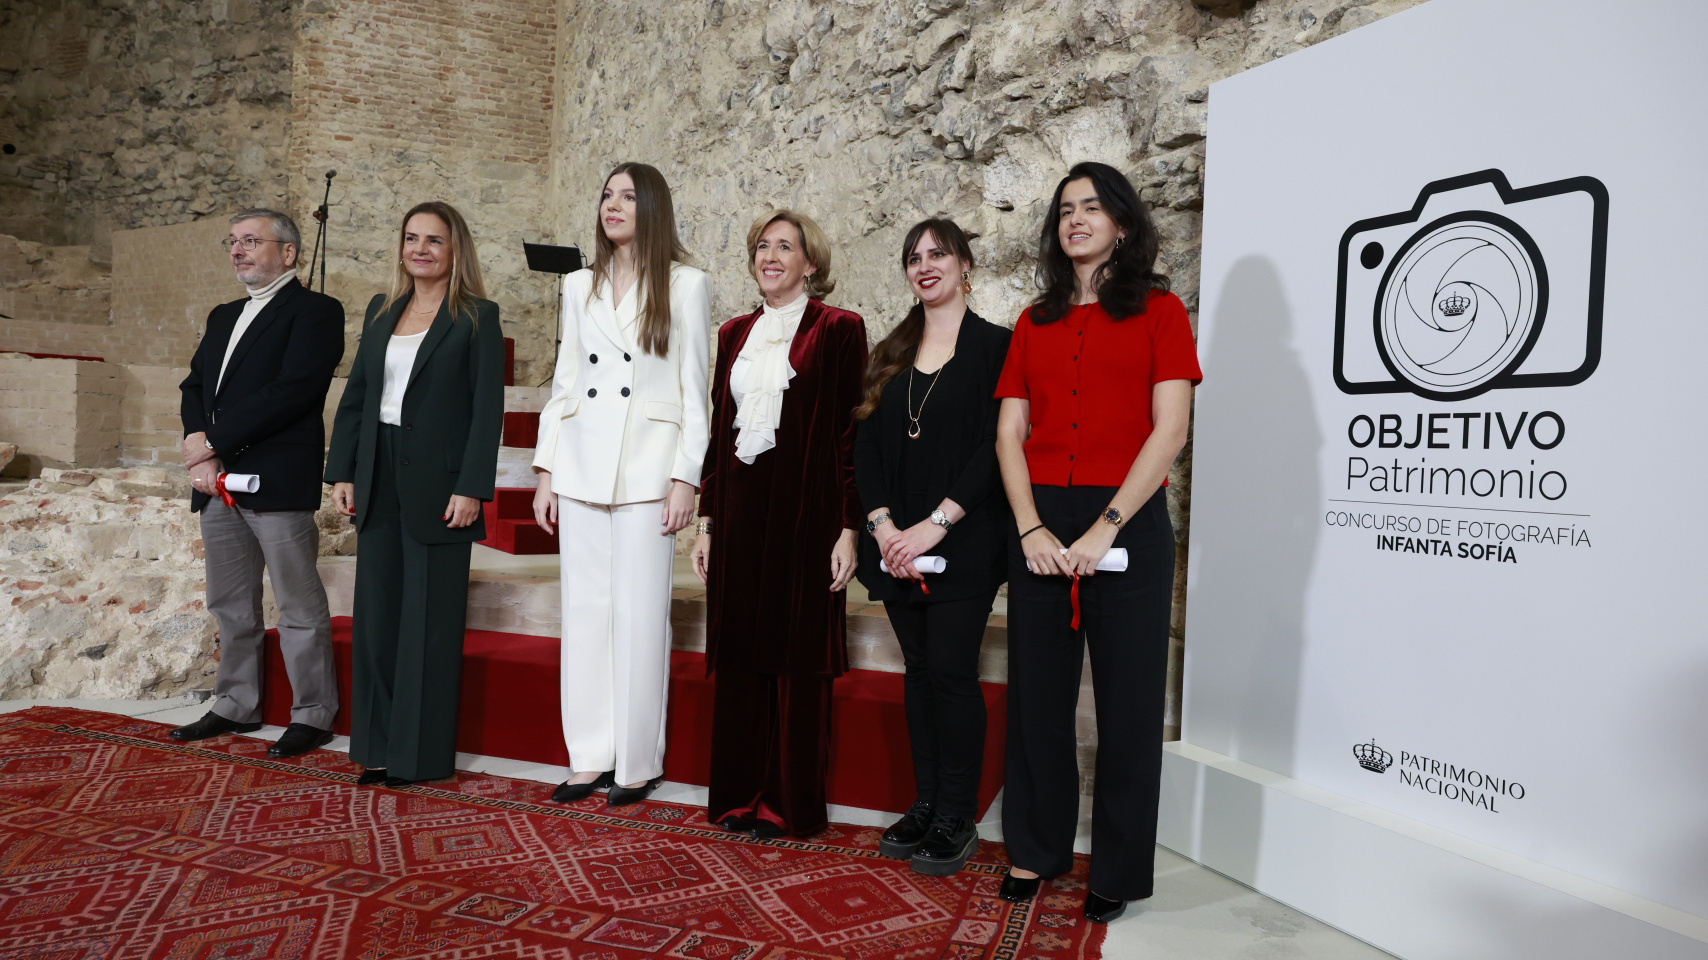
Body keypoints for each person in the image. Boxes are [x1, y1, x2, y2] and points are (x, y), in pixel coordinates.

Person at [993, 162, 1201, 923]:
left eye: (1091, 207)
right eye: (1064, 210)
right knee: (1038, 704)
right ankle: (1035, 850)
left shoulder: (1160, 311)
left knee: (1129, 707)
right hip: (1040, 522)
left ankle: (1114, 868)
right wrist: (1031, 528)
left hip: (1130, 523)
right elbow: (1010, 432)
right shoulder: (1032, 321)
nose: (1075, 219)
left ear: (1121, 222)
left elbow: (1170, 429)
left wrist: (1105, 527)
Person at [531, 163, 711, 808]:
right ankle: (588, 756)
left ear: (653, 207)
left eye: (628, 196)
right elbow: (565, 382)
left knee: (639, 617)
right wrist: (547, 471)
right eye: (607, 193)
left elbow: (697, 392)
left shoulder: (687, 285)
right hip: (581, 462)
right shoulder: (579, 284)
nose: (613, 204)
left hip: (647, 468)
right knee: (585, 614)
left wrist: (686, 476)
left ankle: (636, 761)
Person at [690, 210, 867, 839]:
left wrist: (848, 527)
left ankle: (788, 803)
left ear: (809, 263)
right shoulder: (734, 332)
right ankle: (739, 794)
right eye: (762, 245)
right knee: (740, 651)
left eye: (784, 247)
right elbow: (718, 432)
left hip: (805, 514)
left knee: (795, 655)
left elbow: (850, 434)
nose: (770, 255)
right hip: (739, 513)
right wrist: (706, 522)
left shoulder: (839, 327)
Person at [325, 201, 505, 787]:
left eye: (434, 240)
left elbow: (486, 410)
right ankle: (375, 750)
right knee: (377, 622)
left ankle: (419, 758)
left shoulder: (477, 315)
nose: (421, 248)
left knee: (427, 624)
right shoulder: (382, 309)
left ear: (456, 251)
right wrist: (343, 470)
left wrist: (473, 487)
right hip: (379, 475)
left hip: (440, 487)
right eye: (411, 238)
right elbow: (356, 396)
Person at [853, 218, 1010, 876]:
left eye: (937, 254)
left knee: (951, 672)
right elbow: (863, 443)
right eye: (914, 257)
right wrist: (885, 527)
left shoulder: (997, 347)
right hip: (894, 545)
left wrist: (936, 524)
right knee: (917, 675)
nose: (925, 265)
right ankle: (924, 803)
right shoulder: (890, 350)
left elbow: (998, 447)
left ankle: (957, 814)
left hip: (964, 539)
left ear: (964, 263)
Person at [173, 208, 344, 759]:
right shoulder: (223, 314)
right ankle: (235, 702)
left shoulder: (316, 311)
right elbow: (194, 384)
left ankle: (314, 713)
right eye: (233, 242)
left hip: (275, 476)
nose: (238, 250)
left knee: (297, 603)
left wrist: (211, 443)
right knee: (230, 602)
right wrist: (199, 446)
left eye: (250, 241)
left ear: (288, 253)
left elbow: (293, 391)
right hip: (217, 480)